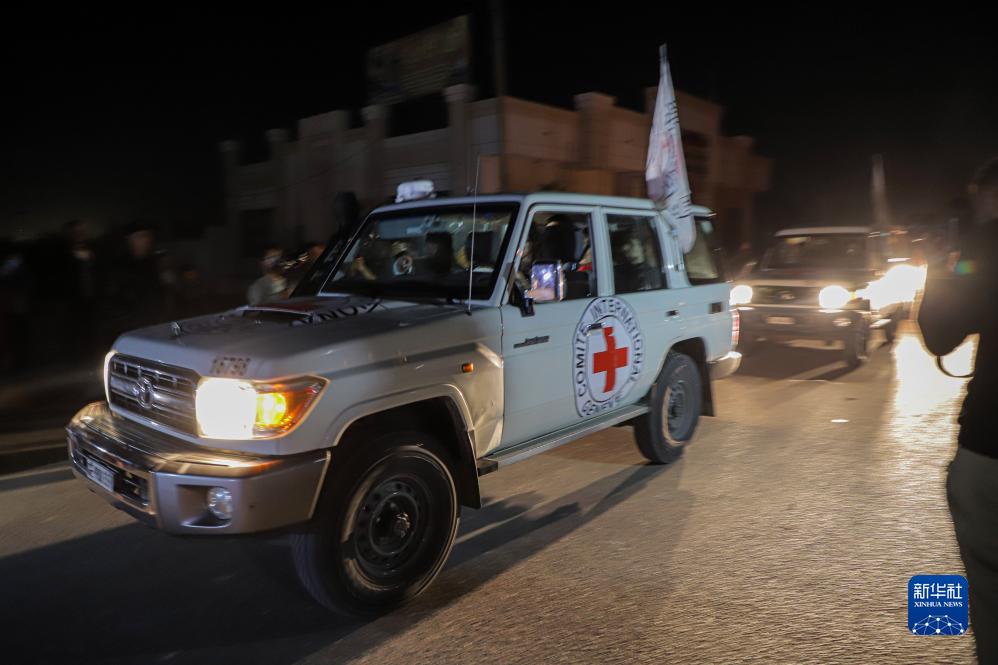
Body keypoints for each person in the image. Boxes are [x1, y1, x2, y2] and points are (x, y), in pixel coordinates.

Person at [919, 158, 998, 662]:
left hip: (991, 448)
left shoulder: (989, 245)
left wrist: (938, 265)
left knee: (990, 596)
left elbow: (940, 333)